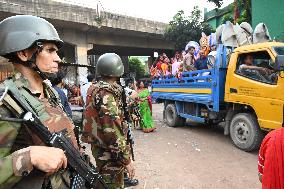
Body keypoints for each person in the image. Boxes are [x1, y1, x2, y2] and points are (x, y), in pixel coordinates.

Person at [0, 15, 79, 189]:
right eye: (50, 50)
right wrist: (30, 157)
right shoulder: (7, 102)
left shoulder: (50, 92)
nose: (58, 58)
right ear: (23, 53)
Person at [82, 53, 136, 189]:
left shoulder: (95, 88)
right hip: (109, 151)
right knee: (112, 184)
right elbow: (112, 131)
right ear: (118, 70)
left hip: (100, 147)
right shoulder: (106, 94)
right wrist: (126, 160)